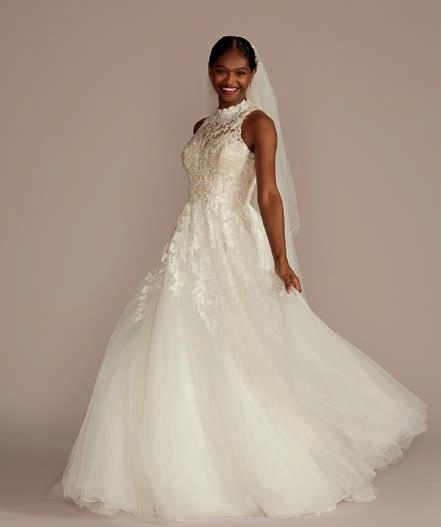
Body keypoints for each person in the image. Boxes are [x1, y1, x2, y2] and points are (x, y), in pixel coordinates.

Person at [47, 36, 428, 523]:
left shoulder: (258, 123)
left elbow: (268, 194)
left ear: (253, 74)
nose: (230, 80)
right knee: (172, 343)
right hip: (189, 242)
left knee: (238, 347)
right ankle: (187, 469)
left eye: (240, 72)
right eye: (222, 71)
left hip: (231, 243)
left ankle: (262, 467)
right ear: (209, 71)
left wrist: (281, 259)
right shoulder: (201, 126)